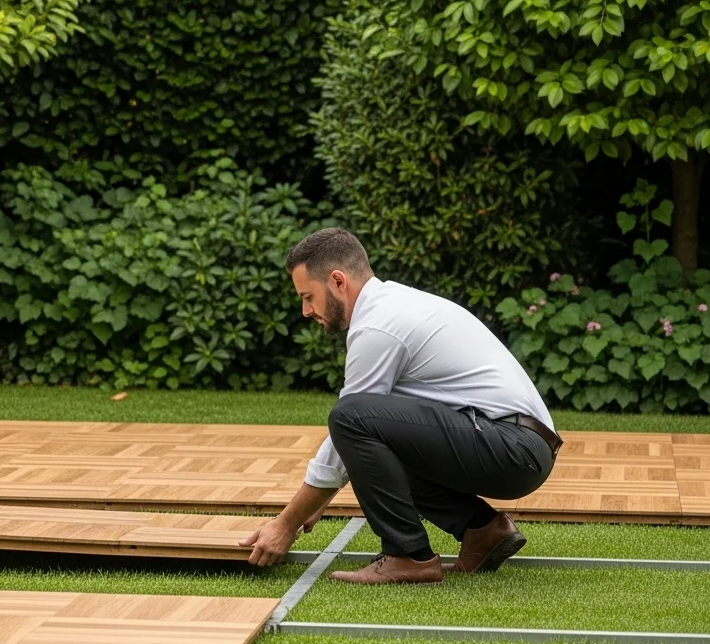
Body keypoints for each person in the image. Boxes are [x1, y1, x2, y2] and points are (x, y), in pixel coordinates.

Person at [238, 228, 563, 583]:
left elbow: (351, 424)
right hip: (518, 445)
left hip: (514, 447)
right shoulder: (393, 305)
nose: (305, 311)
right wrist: (316, 501)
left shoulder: (379, 327)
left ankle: (407, 555)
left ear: (337, 281)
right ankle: (482, 530)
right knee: (370, 428)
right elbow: (377, 436)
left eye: (308, 296)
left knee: (349, 416)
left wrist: (287, 523)